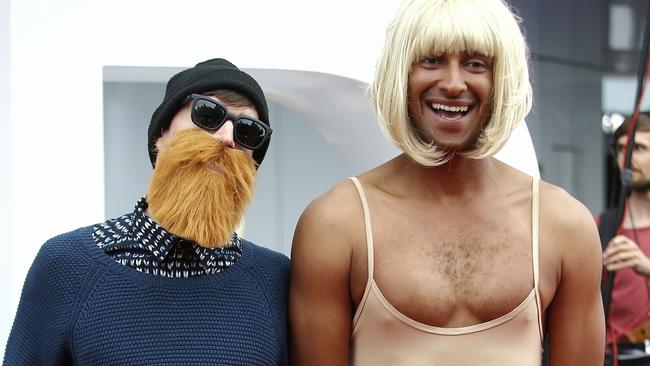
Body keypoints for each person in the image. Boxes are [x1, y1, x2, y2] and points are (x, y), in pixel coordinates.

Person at [289, 0, 605, 364]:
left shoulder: (564, 225)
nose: (454, 84)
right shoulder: (336, 223)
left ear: (501, 78)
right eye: (432, 61)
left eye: (475, 64)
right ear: (401, 74)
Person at [3, 58, 289, 365]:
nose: (226, 137)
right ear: (162, 132)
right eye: (208, 114)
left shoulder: (273, 279)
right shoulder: (68, 265)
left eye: (248, 131)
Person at [602, 112, 650, 364]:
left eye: (639, 148)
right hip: (613, 356)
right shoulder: (603, 225)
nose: (627, 158)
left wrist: (646, 267)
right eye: (622, 148)